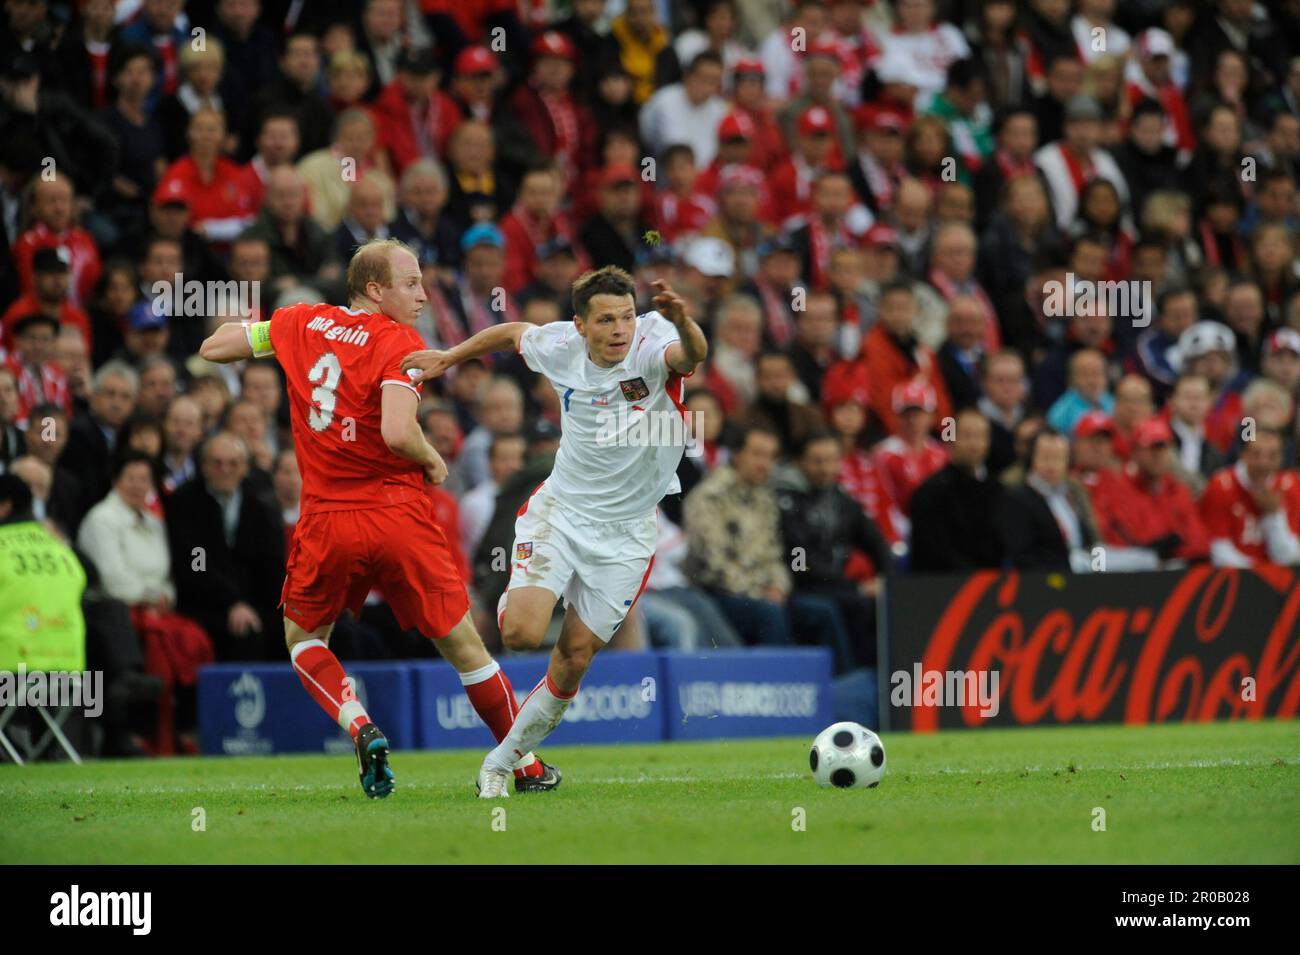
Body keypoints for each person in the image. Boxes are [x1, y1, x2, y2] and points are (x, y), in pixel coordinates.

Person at [197, 238, 560, 799]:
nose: (421, 294)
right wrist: (432, 457)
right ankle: (525, 763)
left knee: (303, 639)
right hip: (396, 515)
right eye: (410, 283)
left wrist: (273, 340)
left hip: (326, 519)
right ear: (374, 289)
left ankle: (360, 724)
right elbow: (396, 431)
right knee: (464, 646)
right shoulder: (399, 341)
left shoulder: (302, 322)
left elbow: (214, 348)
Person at [399, 265, 708, 798]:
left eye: (627, 316)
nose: (620, 329)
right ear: (580, 326)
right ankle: (519, 597)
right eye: (606, 320)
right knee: (519, 635)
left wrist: (683, 321)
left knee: (575, 658)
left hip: (628, 533)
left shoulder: (655, 341)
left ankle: (501, 762)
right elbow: (513, 332)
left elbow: (691, 357)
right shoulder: (560, 346)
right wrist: (449, 357)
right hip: (561, 512)